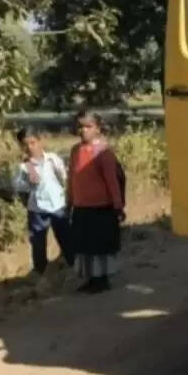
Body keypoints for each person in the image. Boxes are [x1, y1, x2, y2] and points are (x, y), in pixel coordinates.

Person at [67, 110, 125, 294]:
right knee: (84, 246)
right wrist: (69, 201)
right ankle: (90, 279)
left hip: (101, 208)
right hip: (81, 207)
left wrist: (118, 206)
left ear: (98, 128)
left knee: (99, 246)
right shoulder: (75, 151)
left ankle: (102, 280)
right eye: (80, 126)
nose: (83, 130)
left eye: (88, 126)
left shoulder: (103, 152)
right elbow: (71, 178)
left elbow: (112, 181)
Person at [12, 127, 71, 280]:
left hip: (57, 204)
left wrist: (66, 195)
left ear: (40, 142)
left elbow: (63, 176)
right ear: (21, 147)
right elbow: (19, 188)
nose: (30, 147)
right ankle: (40, 272)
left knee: (66, 237)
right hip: (37, 209)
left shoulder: (52, 159)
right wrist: (28, 186)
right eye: (25, 145)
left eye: (33, 142)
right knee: (38, 241)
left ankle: (72, 264)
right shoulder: (23, 167)